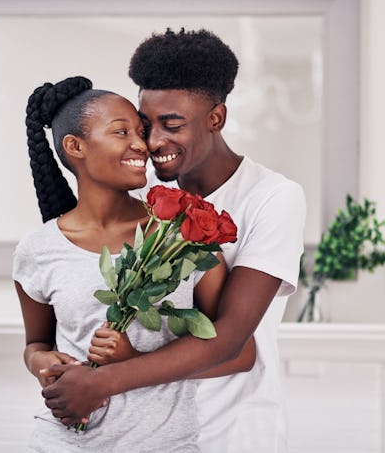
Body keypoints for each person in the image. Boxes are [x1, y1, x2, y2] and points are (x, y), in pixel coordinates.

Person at [40, 29, 306, 453]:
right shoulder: (142, 196)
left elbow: (232, 338)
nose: (153, 142)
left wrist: (102, 381)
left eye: (173, 124)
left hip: (232, 432)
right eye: (146, 125)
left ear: (216, 118)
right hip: (147, 432)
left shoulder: (274, 198)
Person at [13, 76, 251, 452]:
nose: (142, 144)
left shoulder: (180, 235)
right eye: (122, 132)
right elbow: (36, 343)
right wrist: (41, 361)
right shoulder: (37, 249)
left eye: (140, 132)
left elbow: (240, 351)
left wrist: (132, 361)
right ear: (75, 146)